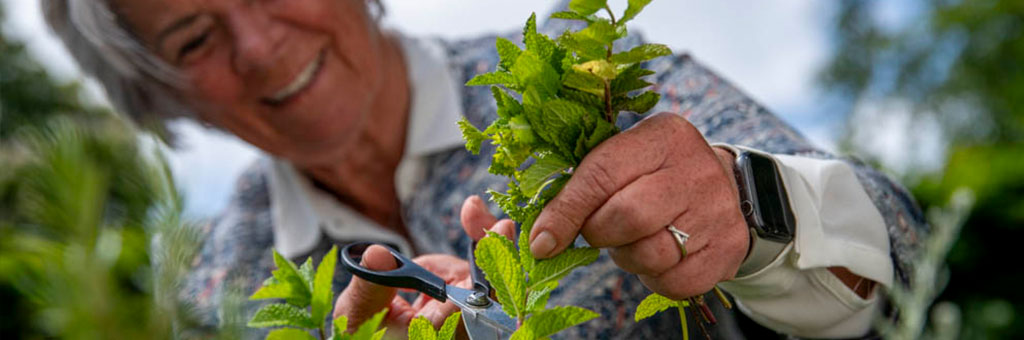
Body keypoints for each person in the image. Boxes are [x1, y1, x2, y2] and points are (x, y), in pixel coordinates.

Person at [43, 0, 926, 338]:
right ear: (163, 99)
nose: (264, 48)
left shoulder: (587, 83)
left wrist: (749, 208)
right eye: (195, 37)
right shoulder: (214, 289)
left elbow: (902, 249)